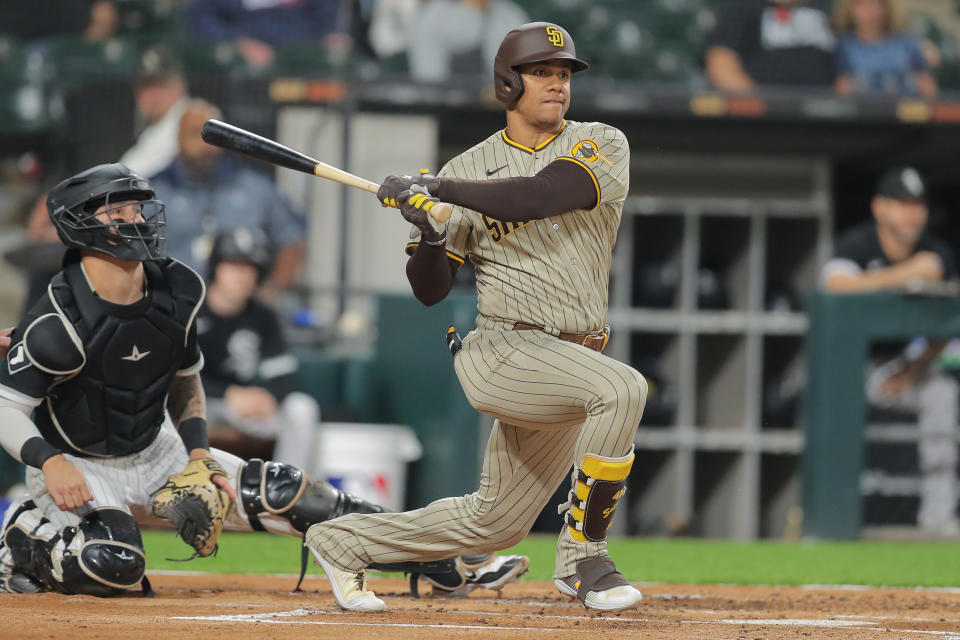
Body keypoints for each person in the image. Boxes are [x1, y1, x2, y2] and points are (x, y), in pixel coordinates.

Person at [0, 163, 528, 597]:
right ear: (80, 226)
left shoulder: (177, 287)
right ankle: (22, 536)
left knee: (292, 492)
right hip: (77, 464)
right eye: (117, 211)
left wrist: (201, 453)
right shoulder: (55, 323)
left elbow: (185, 381)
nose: (135, 219)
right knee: (113, 565)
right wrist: (49, 461)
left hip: (153, 444)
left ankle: (439, 558)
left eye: (136, 207)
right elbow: (6, 407)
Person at [305, 21, 647, 614]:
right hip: (504, 351)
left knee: (496, 524)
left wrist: (438, 188)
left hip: (573, 356)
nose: (557, 83)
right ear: (507, 83)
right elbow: (430, 290)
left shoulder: (600, 142)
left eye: (563, 73)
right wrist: (432, 231)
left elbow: (542, 194)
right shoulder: (471, 166)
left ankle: (342, 540)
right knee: (624, 390)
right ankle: (583, 559)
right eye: (542, 72)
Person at [819, 166, 959, 536]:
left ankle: (937, 516)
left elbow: (948, 326)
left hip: (905, 364)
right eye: (902, 204)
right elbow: (834, 285)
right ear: (880, 208)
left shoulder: (936, 252)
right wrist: (905, 275)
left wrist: (912, 370)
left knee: (942, 393)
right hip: (848, 367)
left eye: (918, 204)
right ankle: (831, 520)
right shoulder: (858, 244)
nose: (913, 213)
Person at [149, 99, 307, 297]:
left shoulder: (253, 186)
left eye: (215, 138)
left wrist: (270, 293)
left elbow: (292, 238)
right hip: (174, 306)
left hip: (239, 313)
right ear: (178, 138)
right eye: (195, 134)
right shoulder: (153, 191)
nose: (205, 146)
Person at [198, 227, 318, 470]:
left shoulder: (263, 317)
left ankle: (285, 493)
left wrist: (270, 399)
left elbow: (283, 375)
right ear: (216, 268)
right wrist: (229, 394)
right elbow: (174, 376)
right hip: (201, 402)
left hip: (245, 408)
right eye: (233, 265)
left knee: (301, 409)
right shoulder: (190, 308)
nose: (242, 275)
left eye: (249, 268)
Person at [706, 0, 836, 91]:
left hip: (828, 118)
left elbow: (849, 59)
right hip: (764, 120)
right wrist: (759, 104)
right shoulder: (742, 5)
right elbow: (721, 63)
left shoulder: (829, 7)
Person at [186, 0, 349, 69]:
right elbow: (201, 18)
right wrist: (236, 42)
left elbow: (327, 23)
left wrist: (331, 36)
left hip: (297, 60)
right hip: (235, 67)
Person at [833, 0, 937, 97]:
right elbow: (842, 88)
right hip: (862, 111)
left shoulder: (907, 42)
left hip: (905, 110)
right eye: (862, 4)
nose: (870, 12)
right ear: (850, 9)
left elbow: (927, 85)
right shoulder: (844, 45)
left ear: (887, 8)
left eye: (877, 4)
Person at [406, 0, 528, 82]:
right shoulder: (434, 17)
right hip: (446, 111)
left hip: (498, 113)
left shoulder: (509, 16)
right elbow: (429, 81)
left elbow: (519, 79)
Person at [119, 45, 191, 178]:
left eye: (160, 84)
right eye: (145, 86)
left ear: (180, 85)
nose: (153, 94)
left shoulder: (190, 119)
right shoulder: (152, 130)